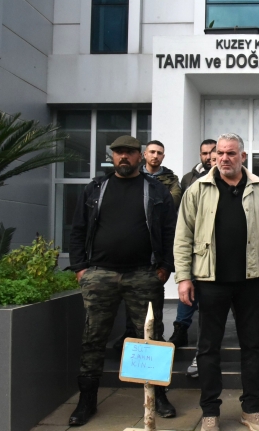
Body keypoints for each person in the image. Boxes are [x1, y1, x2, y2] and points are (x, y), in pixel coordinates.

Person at [174, 133, 259, 431]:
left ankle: (251, 409)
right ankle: (210, 412)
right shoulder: (197, 190)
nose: (224, 158)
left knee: (253, 347)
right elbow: (183, 237)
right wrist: (183, 277)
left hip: (253, 280)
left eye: (231, 153)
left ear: (243, 156)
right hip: (211, 281)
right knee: (208, 348)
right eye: (220, 153)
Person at [68, 135, 177, 426]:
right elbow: (78, 229)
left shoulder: (156, 190)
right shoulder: (96, 188)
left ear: (140, 156)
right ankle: (87, 401)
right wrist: (80, 268)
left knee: (152, 337)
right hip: (100, 274)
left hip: (144, 274)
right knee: (93, 338)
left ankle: (159, 396)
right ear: (112, 156)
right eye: (118, 152)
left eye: (129, 152)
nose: (124, 157)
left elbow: (170, 230)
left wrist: (165, 267)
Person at [111, 139, 183, 351]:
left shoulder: (170, 179)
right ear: (144, 155)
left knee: (151, 307)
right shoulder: (128, 177)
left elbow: (173, 201)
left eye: (159, 153)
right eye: (152, 152)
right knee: (127, 300)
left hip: (153, 251)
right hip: (123, 254)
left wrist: (166, 264)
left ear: (163, 156)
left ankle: (152, 348)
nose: (155, 156)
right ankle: (129, 334)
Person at [170, 140, 217, 347]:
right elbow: (184, 217)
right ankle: (181, 328)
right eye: (205, 154)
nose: (209, 159)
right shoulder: (189, 180)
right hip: (196, 245)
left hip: (219, 250)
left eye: (213, 155)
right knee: (189, 287)